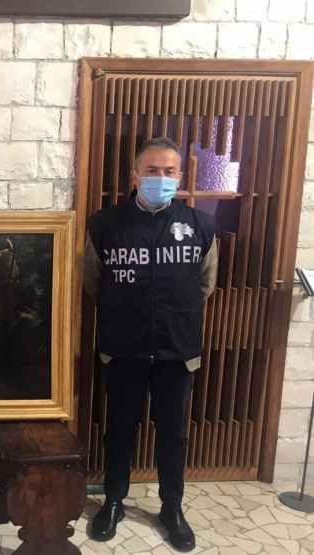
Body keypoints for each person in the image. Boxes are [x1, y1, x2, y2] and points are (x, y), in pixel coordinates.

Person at [83, 137, 218, 553]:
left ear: (181, 176)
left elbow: (205, 285)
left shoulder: (201, 226)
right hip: (123, 347)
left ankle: (171, 508)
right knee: (119, 429)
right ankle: (114, 501)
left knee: (173, 435)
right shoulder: (104, 225)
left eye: (169, 171)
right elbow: (93, 282)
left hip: (178, 350)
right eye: (152, 170)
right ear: (135, 176)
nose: (161, 178)